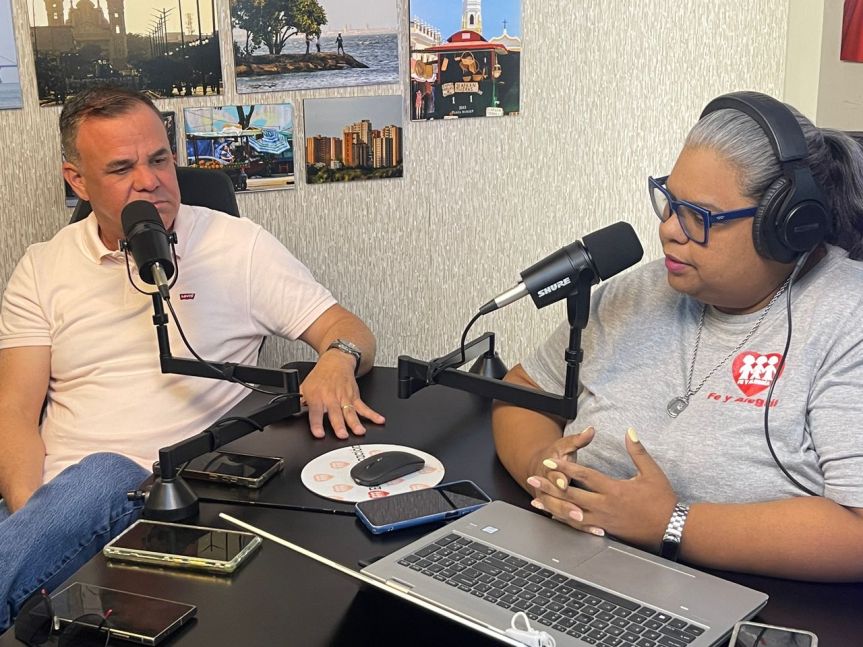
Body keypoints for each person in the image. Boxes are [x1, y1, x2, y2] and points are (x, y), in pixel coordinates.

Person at [0, 85, 385, 630]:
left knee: (107, 472)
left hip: (169, 500)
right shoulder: (42, 266)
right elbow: (15, 410)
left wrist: (337, 360)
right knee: (83, 487)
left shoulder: (238, 246)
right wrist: (39, 522)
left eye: (159, 159)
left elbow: (348, 330)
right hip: (50, 502)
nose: (149, 180)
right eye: (121, 168)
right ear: (77, 181)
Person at [492, 91, 863, 582]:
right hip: (572, 569)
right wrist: (543, 468)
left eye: (699, 216)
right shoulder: (641, 290)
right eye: (670, 201)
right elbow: (522, 390)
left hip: (753, 602)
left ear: (787, 227)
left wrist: (670, 524)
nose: (668, 230)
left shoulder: (849, 318)